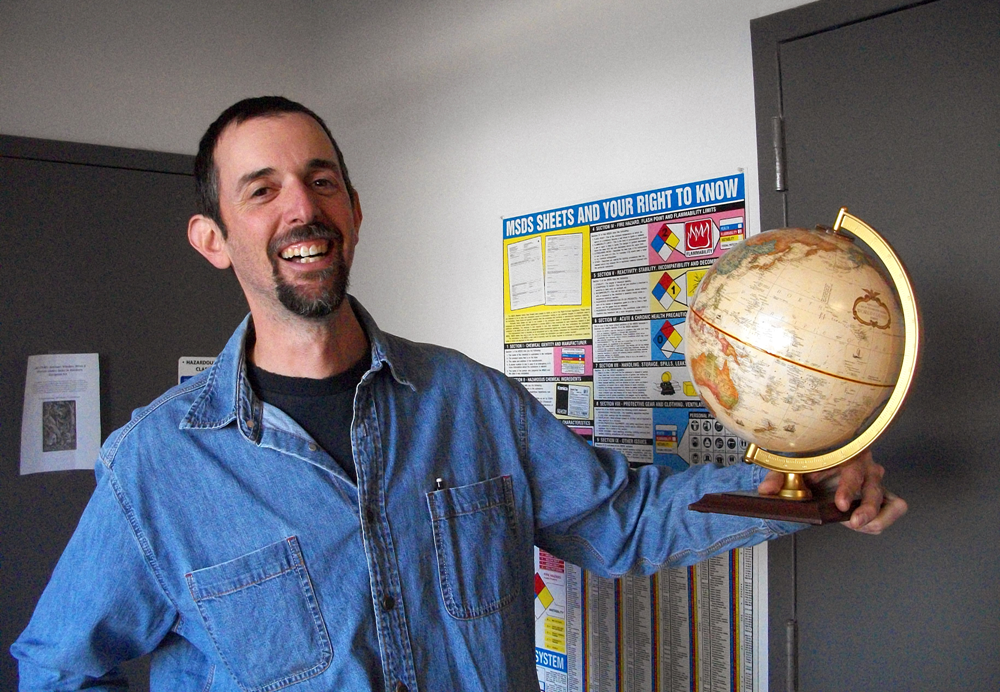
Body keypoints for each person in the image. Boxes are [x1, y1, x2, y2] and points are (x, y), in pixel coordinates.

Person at [12, 97, 906, 691]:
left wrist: (803, 489)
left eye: (322, 180)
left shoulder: (473, 405)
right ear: (214, 239)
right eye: (263, 190)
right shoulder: (159, 464)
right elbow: (56, 668)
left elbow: (623, 519)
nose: (302, 207)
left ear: (354, 210)